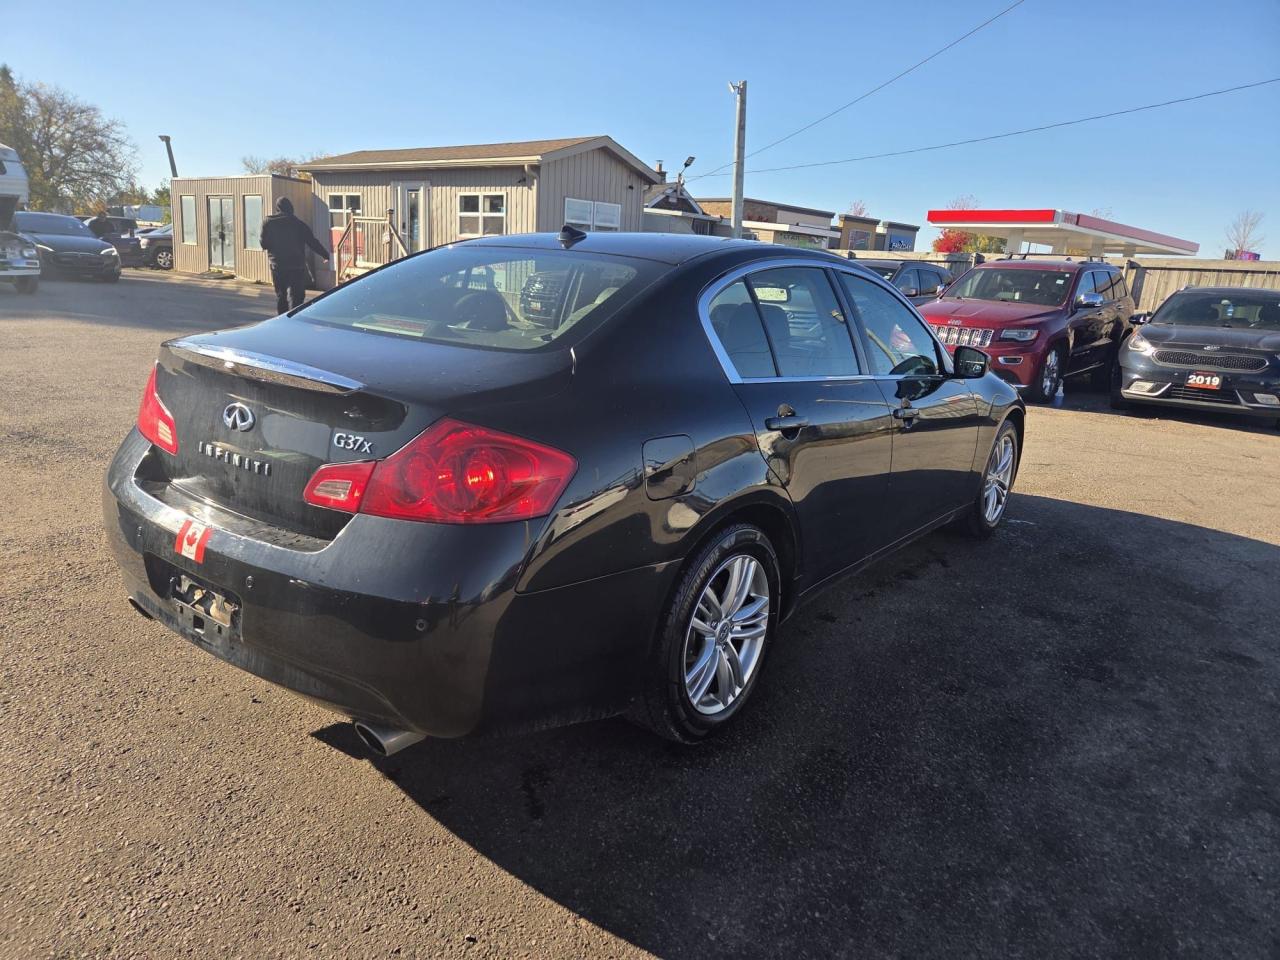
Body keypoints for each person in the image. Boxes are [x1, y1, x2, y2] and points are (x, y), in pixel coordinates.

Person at [259, 197, 329, 313]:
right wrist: (325, 254)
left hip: (277, 265)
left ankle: (282, 319)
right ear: (291, 208)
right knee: (297, 296)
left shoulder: (268, 222)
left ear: (277, 208)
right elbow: (312, 242)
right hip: (296, 265)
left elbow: (263, 243)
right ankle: (294, 317)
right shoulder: (299, 224)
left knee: (281, 296)